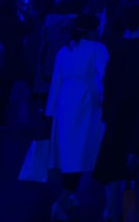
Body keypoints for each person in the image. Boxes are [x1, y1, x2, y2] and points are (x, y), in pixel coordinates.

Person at [94, 5, 139, 222]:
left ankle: (111, 211)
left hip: (118, 113)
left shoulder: (120, 47)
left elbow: (108, 82)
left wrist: (107, 114)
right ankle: (136, 212)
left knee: (112, 164)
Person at [46, 14, 109, 220]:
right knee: (83, 149)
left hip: (65, 102)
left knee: (69, 150)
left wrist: (48, 113)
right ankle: (65, 200)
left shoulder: (64, 51)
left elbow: (56, 82)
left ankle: (68, 194)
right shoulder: (97, 49)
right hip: (86, 102)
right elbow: (105, 77)